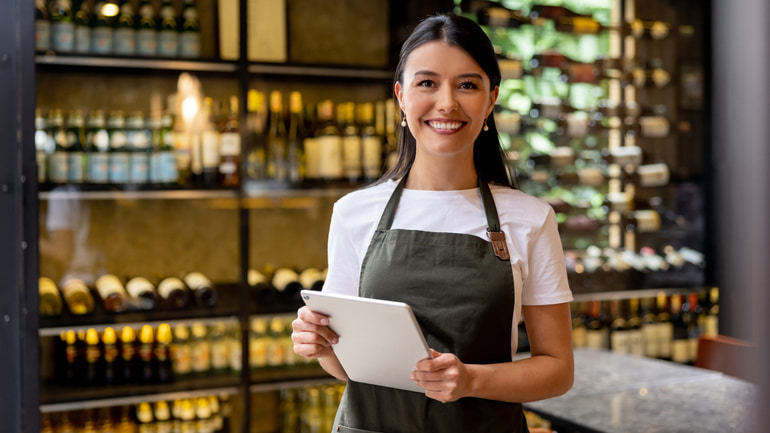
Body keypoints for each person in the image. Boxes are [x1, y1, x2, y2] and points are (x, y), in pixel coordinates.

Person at [291, 13, 574, 433]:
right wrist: (319, 345)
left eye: (467, 85)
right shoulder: (354, 213)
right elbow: (352, 369)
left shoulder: (530, 219)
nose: (447, 103)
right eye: (427, 83)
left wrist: (472, 379)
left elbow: (557, 370)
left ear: (491, 99)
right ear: (401, 96)